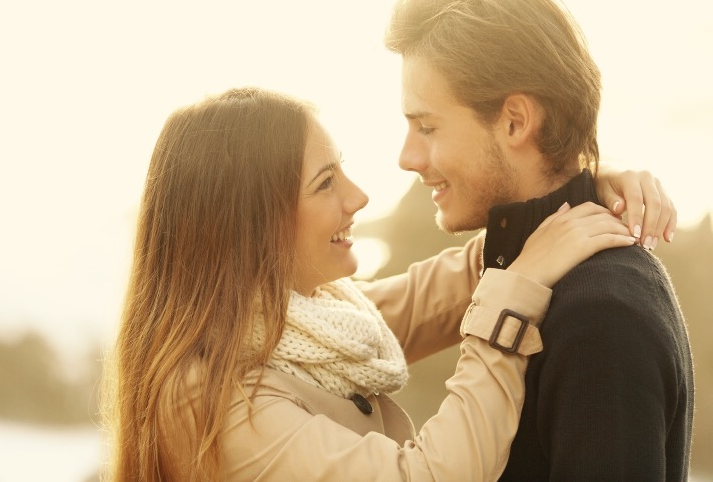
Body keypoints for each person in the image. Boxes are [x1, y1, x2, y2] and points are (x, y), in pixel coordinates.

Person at [101, 86, 677, 481]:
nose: (358, 196)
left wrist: (574, 192)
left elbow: (437, 292)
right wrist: (516, 293)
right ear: (247, 222)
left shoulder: (306, 325)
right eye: (326, 183)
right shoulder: (208, 397)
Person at [384, 0, 694, 480]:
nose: (407, 156)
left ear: (514, 122)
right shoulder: (526, 274)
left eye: (427, 126)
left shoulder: (601, 314)